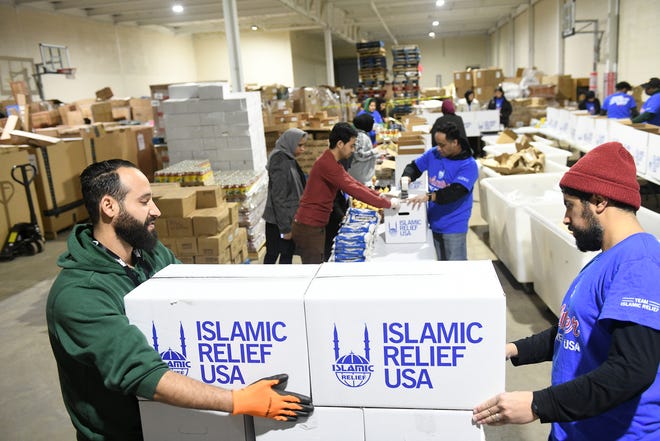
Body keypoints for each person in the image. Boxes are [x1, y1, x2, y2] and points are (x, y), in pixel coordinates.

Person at [47, 159, 313, 440]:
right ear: (109, 206)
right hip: (125, 434)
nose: (156, 211)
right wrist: (239, 400)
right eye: (145, 201)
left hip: (174, 422)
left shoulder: (149, 254)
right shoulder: (79, 296)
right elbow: (144, 376)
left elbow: (189, 301)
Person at [472, 142, 660, 440]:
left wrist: (538, 404)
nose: (565, 218)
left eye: (569, 205)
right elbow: (575, 330)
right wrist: (513, 349)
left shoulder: (640, 263)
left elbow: (632, 369)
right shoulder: (606, 259)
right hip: (573, 428)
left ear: (598, 201)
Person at [292, 122, 400, 264]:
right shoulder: (327, 164)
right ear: (340, 144)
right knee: (315, 270)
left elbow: (354, 183)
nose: (353, 150)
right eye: (352, 145)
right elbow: (353, 189)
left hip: (316, 224)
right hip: (309, 226)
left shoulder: (331, 161)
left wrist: (379, 195)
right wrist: (387, 204)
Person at [402, 122, 478, 261]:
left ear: (455, 142)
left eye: (442, 145)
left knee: (455, 268)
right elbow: (414, 166)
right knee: (440, 265)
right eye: (437, 144)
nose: (439, 148)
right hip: (434, 221)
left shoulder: (468, 165)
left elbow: (455, 192)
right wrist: (407, 177)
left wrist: (429, 196)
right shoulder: (434, 154)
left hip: (454, 225)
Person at [262, 128, 307, 264]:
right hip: (279, 221)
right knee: (274, 254)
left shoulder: (289, 157)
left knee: (287, 254)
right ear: (290, 143)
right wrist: (285, 229)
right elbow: (278, 197)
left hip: (288, 217)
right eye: (300, 145)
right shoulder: (280, 160)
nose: (303, 149)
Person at [348, 113, 384, 186]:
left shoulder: (361, 134)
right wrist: (375, 151)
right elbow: (359, 155)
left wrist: (378, 155)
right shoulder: (361, 137)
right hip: (360, 175)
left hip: (362, 174)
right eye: (372, 123)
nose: (374, 125)